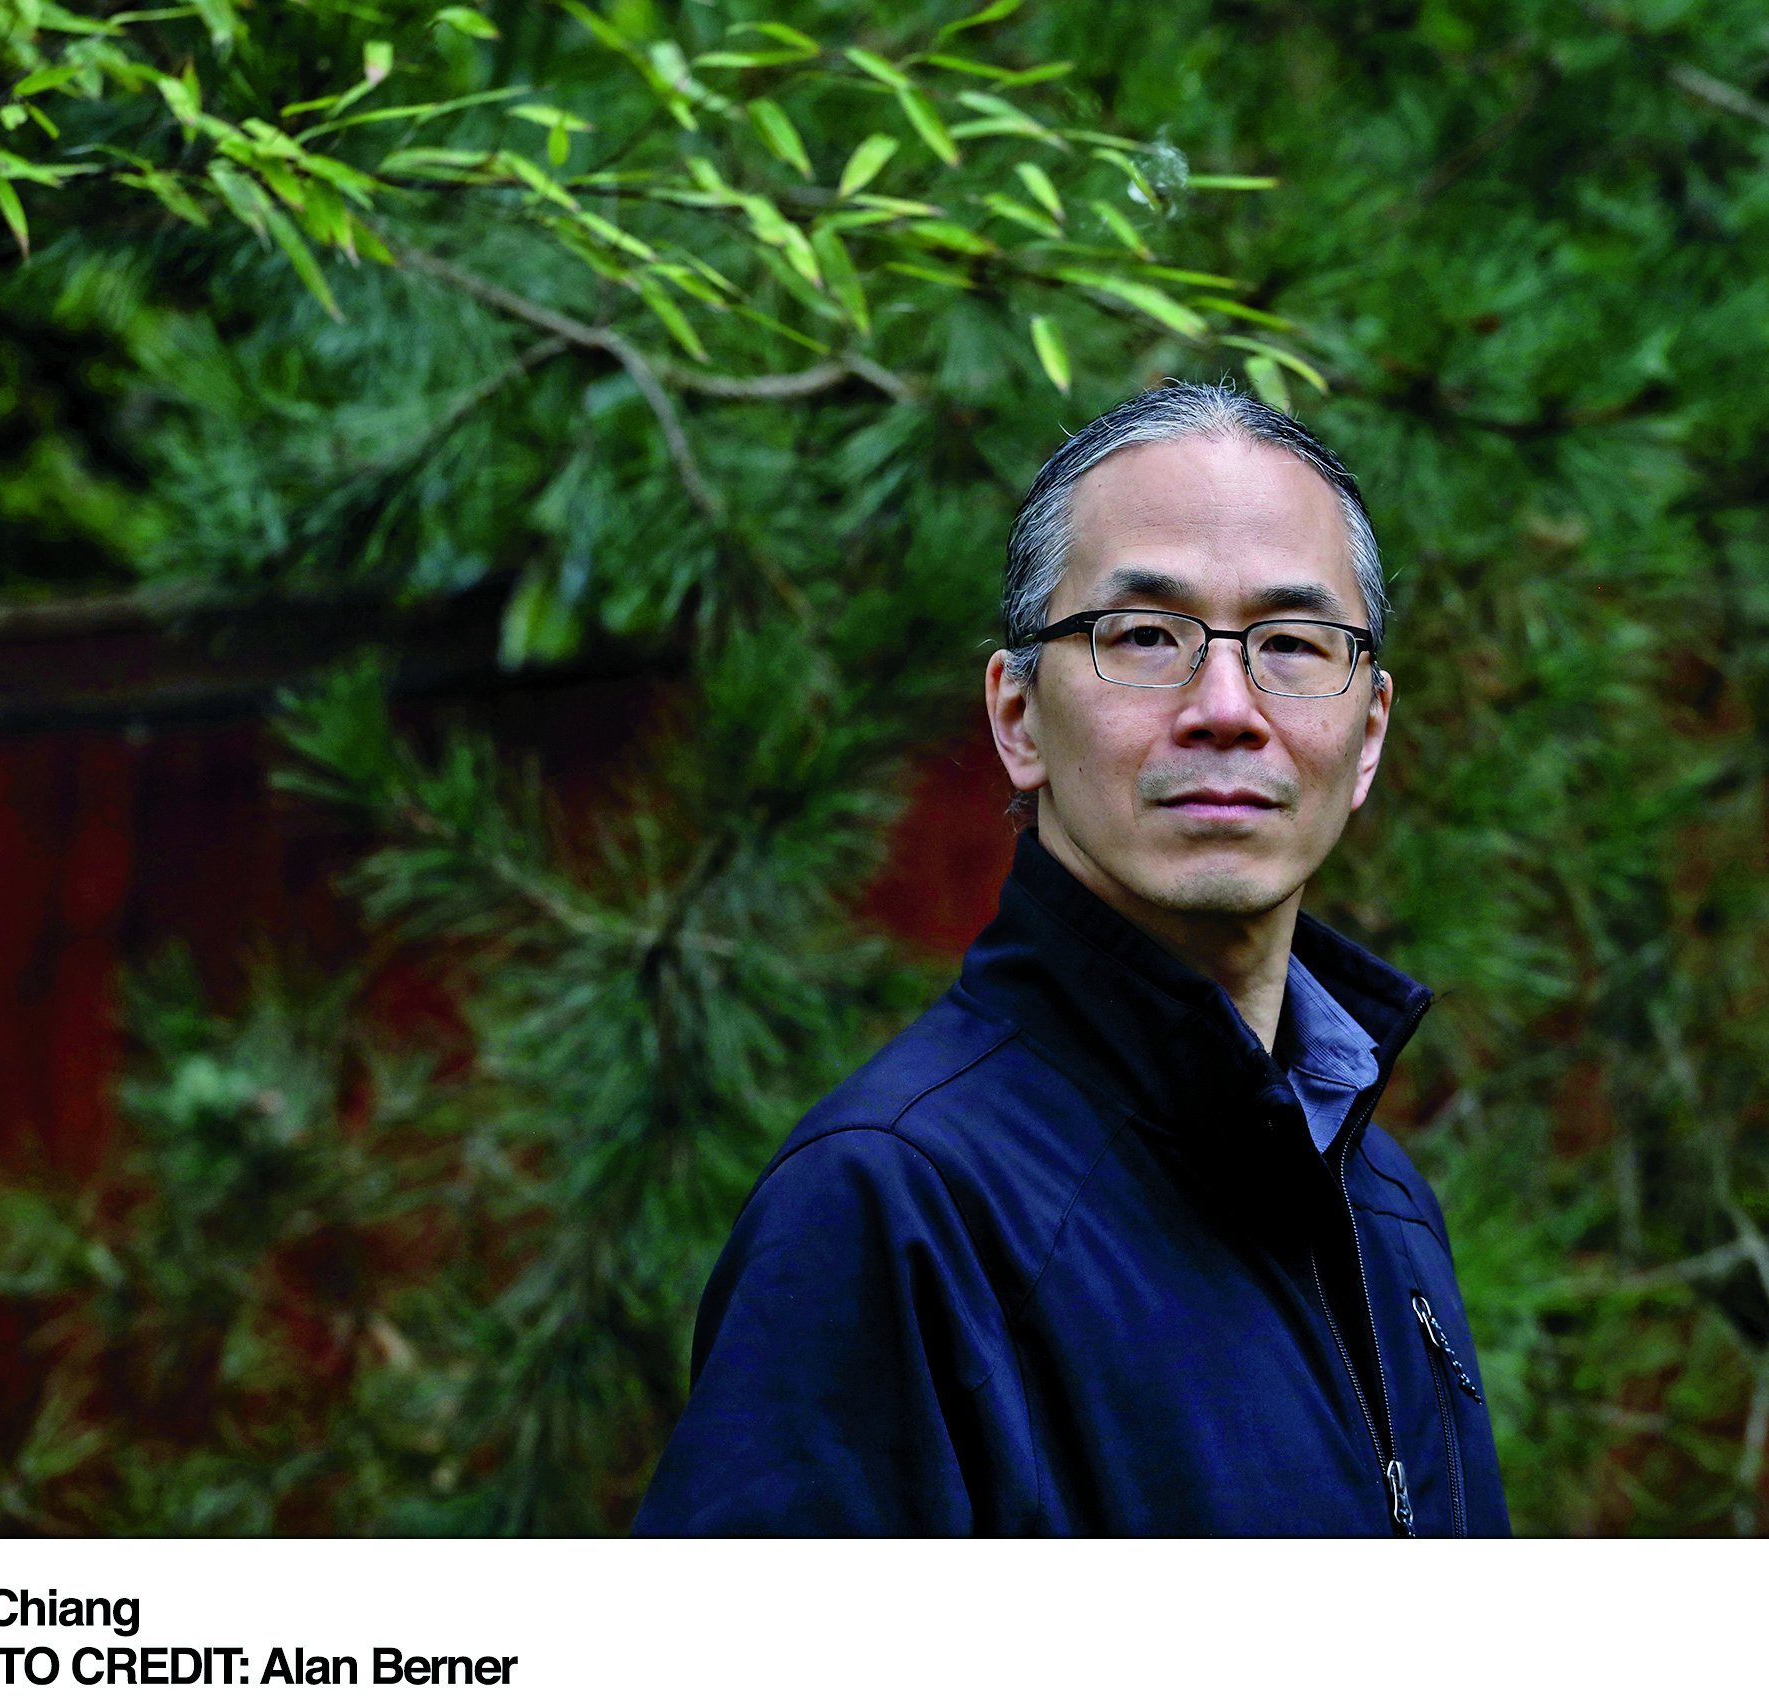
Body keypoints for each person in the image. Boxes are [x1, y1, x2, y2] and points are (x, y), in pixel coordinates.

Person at [633, 381, 1511, 1536]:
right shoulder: (893, 1203)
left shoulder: (1384, 1205)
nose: (1226, 708)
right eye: (1146, 635)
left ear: (1368, 735)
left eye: (1293, 644)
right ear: (1018, 717)